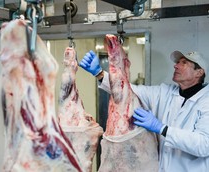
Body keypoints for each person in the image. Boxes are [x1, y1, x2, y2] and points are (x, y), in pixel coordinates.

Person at [79, 50, 209, 172]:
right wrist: (100, 74)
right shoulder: (165, 92)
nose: (176, 66)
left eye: (184, 63)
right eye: (177, 62)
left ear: (199, 72)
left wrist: (162, 129)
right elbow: (127, 91)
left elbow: (204, 145)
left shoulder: (206, 101)